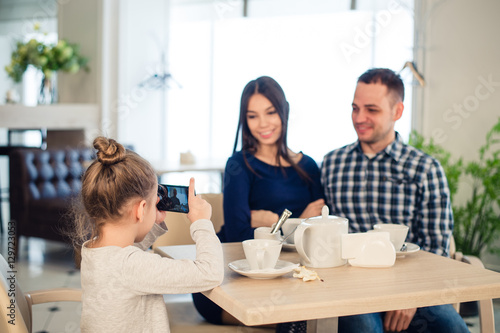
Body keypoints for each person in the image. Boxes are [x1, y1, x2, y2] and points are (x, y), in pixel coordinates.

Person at [321, 68, 469, 333]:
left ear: (397, 112)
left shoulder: (425, 169)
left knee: (454, 329)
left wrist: (411, 296)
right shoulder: (332, 164)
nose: (359, 118)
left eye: (371, 110)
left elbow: (437, 247)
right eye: (355, 108)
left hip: (413, 287)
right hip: (352, 291)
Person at [193, 76, 325, 328]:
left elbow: (318, 234)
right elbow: (238, 235)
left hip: (288, 277)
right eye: (252, 116)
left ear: (283, 111)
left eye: (270, 112)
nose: (262, 124)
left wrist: (270, 222)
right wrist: (299, 221)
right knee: (300, 321)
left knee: (317, 314)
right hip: (230, 280)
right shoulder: (239, 165)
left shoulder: (308, 167)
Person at [73, 136, 224, 333]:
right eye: (154, 203)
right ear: (141, 209)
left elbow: (126, 253)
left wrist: (152, 220)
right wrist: (202, 222)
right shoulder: (132, 266)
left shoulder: (93, 250)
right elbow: (210, 274)